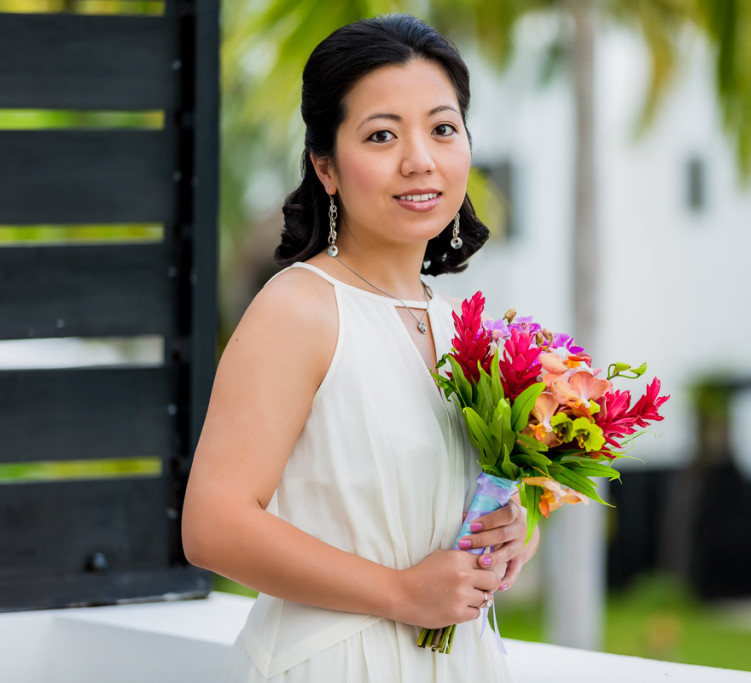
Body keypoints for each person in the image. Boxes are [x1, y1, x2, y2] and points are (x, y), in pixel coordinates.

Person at [182, 14, 538, 682]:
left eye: (442, 128)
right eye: (381, 135)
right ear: (326, 165)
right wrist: (401, 591)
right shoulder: (300, 307)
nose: (419, 159)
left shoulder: (460, 324)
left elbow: (444, 496)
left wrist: (515, 528)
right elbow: (213, 523)